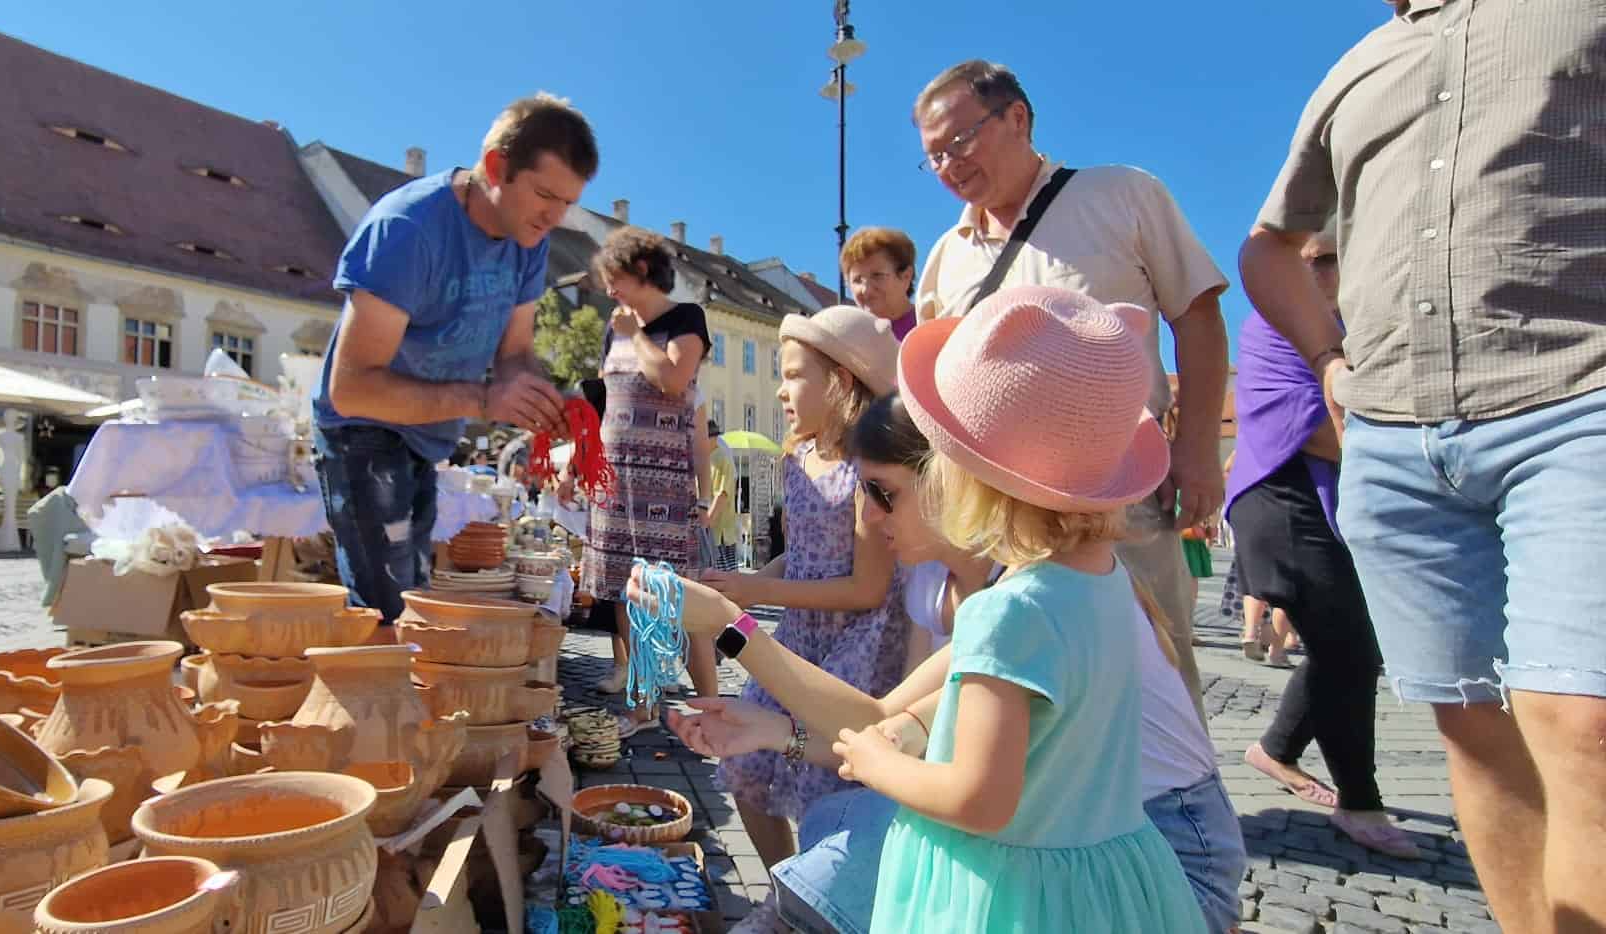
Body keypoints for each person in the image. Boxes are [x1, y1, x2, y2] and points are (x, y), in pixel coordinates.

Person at [638, 287, 1207, 931]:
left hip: (1011, 894)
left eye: (887, 490)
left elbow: (977, 798)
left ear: (962, 471)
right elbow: (898, 719)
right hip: (1108, 884)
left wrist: (876, 764)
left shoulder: (1009, 609)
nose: (873, 511)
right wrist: (777, 728)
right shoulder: (1098, 579)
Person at [1240, 6, 1606, 926]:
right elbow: (1269, 244)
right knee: (1472, 728)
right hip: (1400, 438)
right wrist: (1329, 359)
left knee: (1582, 719)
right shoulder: (1361, 62)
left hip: (1574, 397)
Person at [909, 59, 1229, 721]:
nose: (947, 165)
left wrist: (1198, 448)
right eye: (933, 156)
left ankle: (1182, 816)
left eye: (959, 141)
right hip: (993, 512)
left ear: (1017, 118)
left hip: (1118, 496)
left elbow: (1196, 316)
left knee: (1153, 673)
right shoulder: (946, 258)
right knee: (1013, 687)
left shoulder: (1120, 197)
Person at [313, 93, 596, 623]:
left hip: (425, 432)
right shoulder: (407, 229)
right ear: (496, 167)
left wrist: (542, 399)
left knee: (412, 594)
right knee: (388, 607)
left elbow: (514, 353)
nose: (554, 218)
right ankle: (370, 698)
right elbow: (349, 387)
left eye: (567, 203)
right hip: (361, 430)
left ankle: (391, 693)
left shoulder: (528, 240)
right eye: (544, 195)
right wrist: (486, 399)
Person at [698, 305, 909, 868]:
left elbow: (866, 588)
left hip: (855, 645)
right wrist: (740, 587)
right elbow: (807, 555)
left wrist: (758, 592)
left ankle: (818, 901)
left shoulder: (871, 469)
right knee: (743, 766)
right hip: (798, 634)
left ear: (840, 381)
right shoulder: (798, 458)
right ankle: (780, 892)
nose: (781, 391)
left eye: (794, 375)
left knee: (824, 785)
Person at [1228, 229, 1415, 858]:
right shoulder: (1274, 322)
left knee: (1343, 644)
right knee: (1350, 648)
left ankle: (1275, 749)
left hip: (1315, 500)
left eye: (1330, 259)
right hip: (1278, 497)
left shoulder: (1347, 322)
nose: (1319, 274)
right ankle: (1359, 803)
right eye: (1307, 263)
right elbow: (1313, 425)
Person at [578, 225, 716, 732]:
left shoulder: (685, 319)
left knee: (679, 600)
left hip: (665, 484)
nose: (609, 290)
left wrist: (635, 333)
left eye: (614, 278)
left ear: (640, 270)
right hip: (616, 483)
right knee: (626, 593)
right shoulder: (610, 329)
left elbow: (673, 380)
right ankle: (643, 707)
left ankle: (711, 708)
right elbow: (606, 405)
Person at [840, 227, 919, 341]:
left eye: (877, 276)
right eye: (857, 280)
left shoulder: (929, 328)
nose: (866, 290)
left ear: (906, 276)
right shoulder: (849, 340)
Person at [696, 418, 741, 573]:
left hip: (720, 531)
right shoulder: (706, 460)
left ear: (711, 438)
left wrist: (707, 521)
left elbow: (722, 495)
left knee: (723, 577)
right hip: (711, 529)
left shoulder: (722, 459)